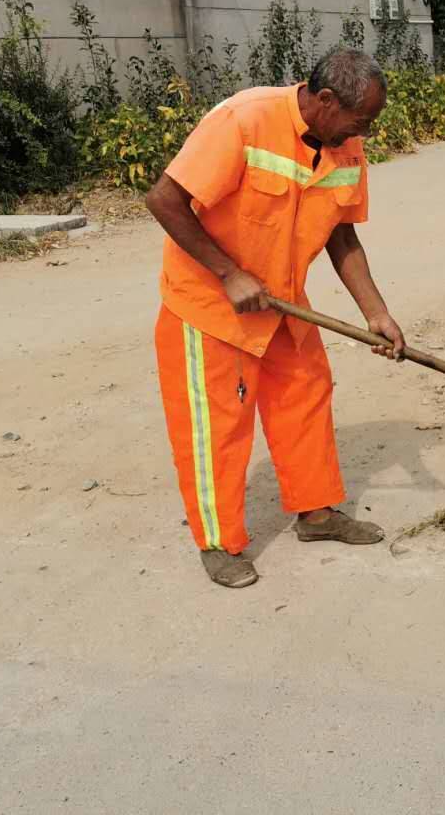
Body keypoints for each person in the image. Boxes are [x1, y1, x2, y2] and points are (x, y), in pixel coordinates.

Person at [145, 48, 405, 588]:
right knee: (218, 426)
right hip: (210, 303)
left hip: (283, 300)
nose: (368, 133)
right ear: (326, 100)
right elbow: (165, 199)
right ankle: (218, 541)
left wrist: (376, 313)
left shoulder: (345, 146)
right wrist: (228, 273)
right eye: (362, 120)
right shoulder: (243, 119)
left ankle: (315, 513)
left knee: (305, 395)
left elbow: (341, 234)